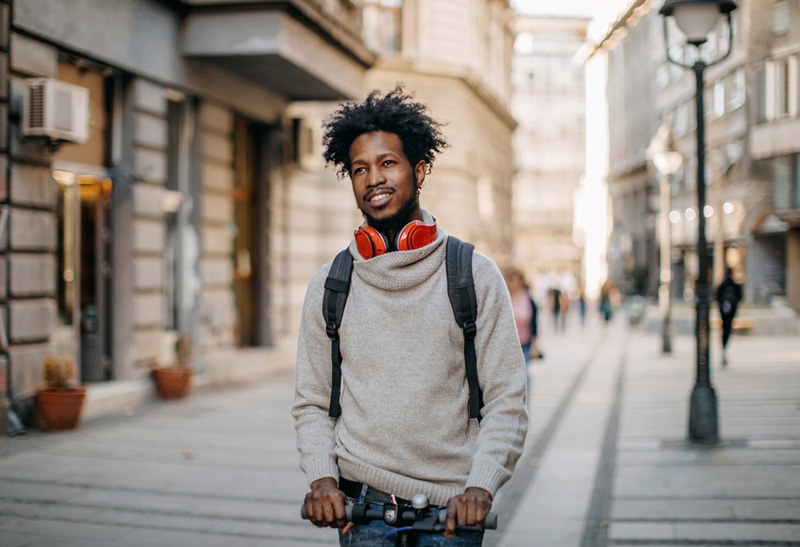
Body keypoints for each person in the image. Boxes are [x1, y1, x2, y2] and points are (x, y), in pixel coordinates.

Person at [292, 86, 528, 546]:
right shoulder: (330, 283)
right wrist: (323, 480)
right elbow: (312, 402)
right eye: (360, 168)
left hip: (453, 516)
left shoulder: (473, 275)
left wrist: (481, 485)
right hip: (362, 513)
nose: (373, 178)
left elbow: (507, 399)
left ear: (420, 170)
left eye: (387, 163)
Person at [504, 267, 543, 363]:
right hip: (507, 344)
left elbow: (534, 324)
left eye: (518, 280)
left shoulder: (529, 300)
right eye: (512, 280)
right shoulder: (504, 299)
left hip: (525, 343)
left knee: (524, 372)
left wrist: (535, 345)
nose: (515, 283)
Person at [715, 267, 742, 366]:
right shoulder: (734, 285)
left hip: (724, 311)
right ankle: (724, 344)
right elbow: (739, 297)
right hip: (730, 311)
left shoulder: (723, 285)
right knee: (727, 328)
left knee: (725, 328)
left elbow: (717, 297)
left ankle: (723, 344)